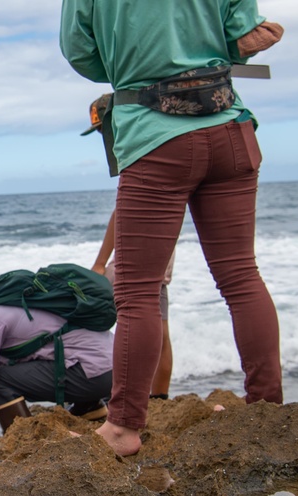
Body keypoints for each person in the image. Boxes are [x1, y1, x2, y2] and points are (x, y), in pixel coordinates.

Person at [61, 0, 284, 456]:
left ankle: (123, 427)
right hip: (228, 126)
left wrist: (134, 61)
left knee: (137, 290)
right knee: (241, 276)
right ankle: (267, 409)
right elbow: (244, 38)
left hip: (154, 133)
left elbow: (80, 52)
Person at [0, 273, 113, 451]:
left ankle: (28, 445)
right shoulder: (2, 303)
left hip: (95, 373)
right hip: (113, 363)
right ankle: (89, 406)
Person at [83, 94, 175, 399]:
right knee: (141, 318)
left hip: (148, 246)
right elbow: (119, 212)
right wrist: (101, 263)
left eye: (101, 130)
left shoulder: (140, 147)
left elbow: (124, 212)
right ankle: (139, 393)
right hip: (142, 244)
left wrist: (100, 264)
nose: (102, 138)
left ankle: (156, 397)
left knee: (155, 323)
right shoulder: (140, 145)